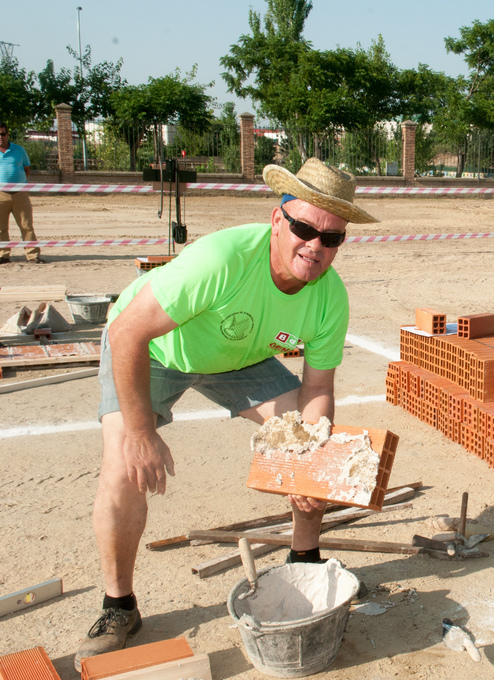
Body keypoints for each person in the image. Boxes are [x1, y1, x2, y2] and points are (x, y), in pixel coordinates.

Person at [74, 158, 379, 670]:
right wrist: (141, 431)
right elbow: (127, 332)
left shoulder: (330, 296)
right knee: (124, 469)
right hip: (153, 350)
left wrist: (309, 453)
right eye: (305, 228)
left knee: (316, 449)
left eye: (332, 238)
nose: (316, 246)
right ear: (278, 218)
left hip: (238, 358)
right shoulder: (222, 258)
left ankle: (304, 560)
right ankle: (118, 606)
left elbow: (319, 387)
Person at [0, 122, 44, 264]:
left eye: (2, 134)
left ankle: (32, 255)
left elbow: (26, 169)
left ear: (7, 134)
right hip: (0, 194)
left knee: (27, 226)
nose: (0, 137)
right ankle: (3, 255)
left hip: (20, 193)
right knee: (0, 228)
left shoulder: (19, 150)